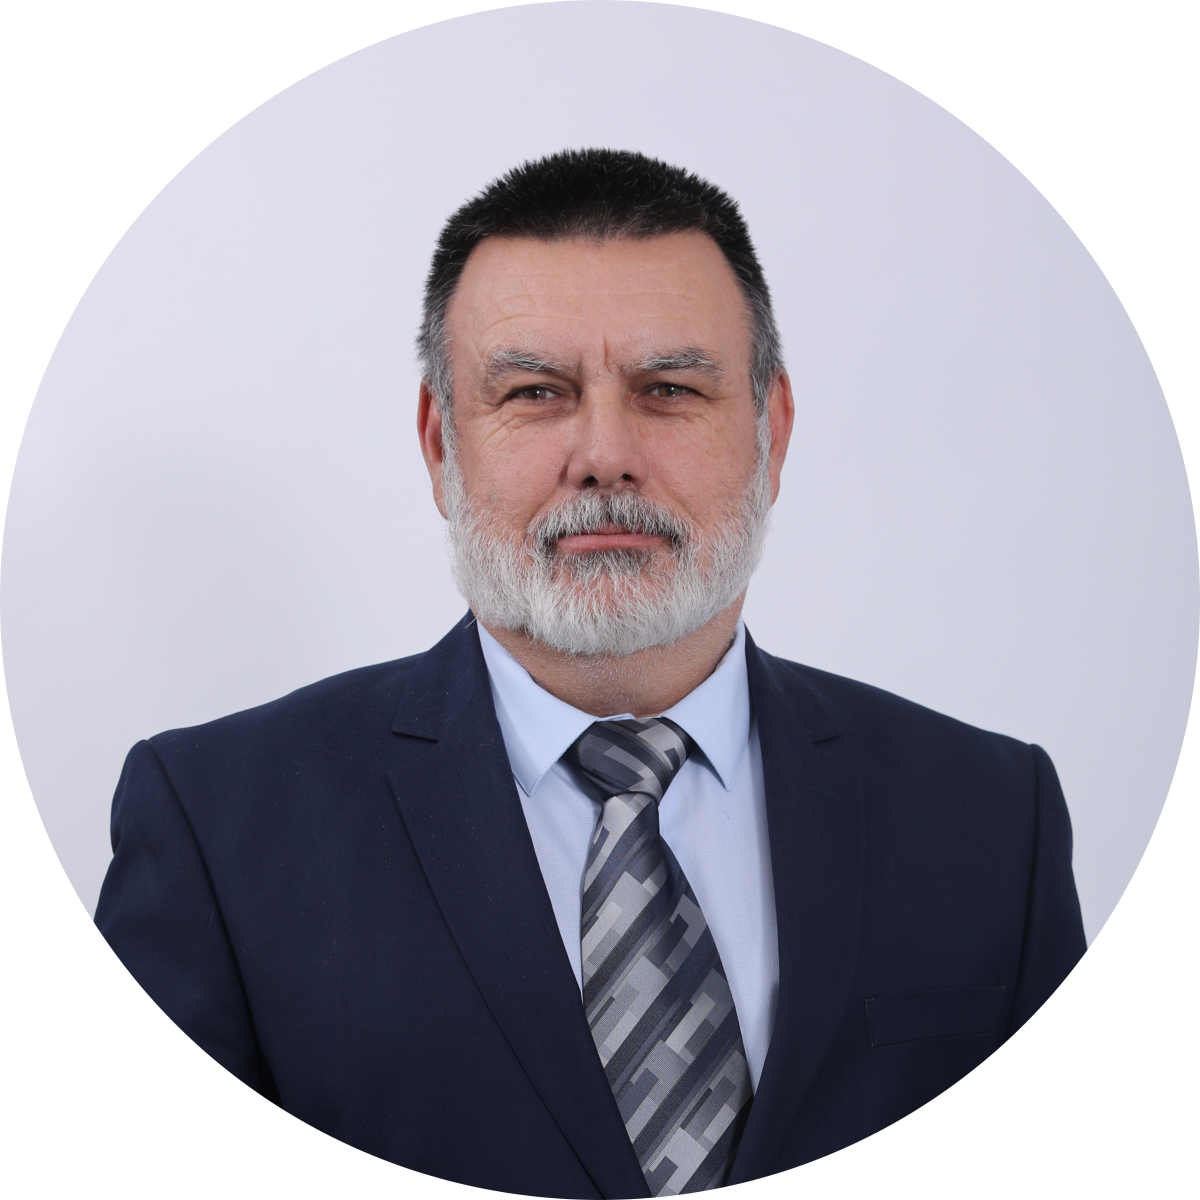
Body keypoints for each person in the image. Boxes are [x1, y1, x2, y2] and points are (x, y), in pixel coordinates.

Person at [95, 149, 1086, 1195]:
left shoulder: (993, 817)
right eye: (536, 391)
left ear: (773, 433)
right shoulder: (215, 827)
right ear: (439, 444)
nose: (605, 453)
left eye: (669, 389)